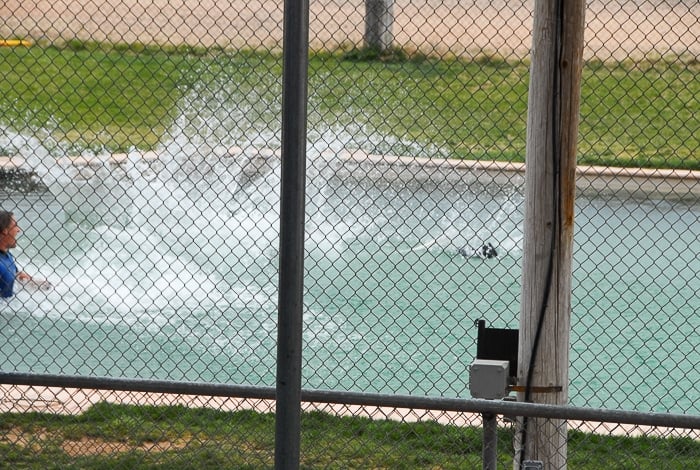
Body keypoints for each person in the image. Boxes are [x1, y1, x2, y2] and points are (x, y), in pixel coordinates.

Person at [0, 210, 49, 297]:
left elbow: (18, 276)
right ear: (5, 231)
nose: (19, 230)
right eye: (15, 226)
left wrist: (47, 285)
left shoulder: (7, 256)